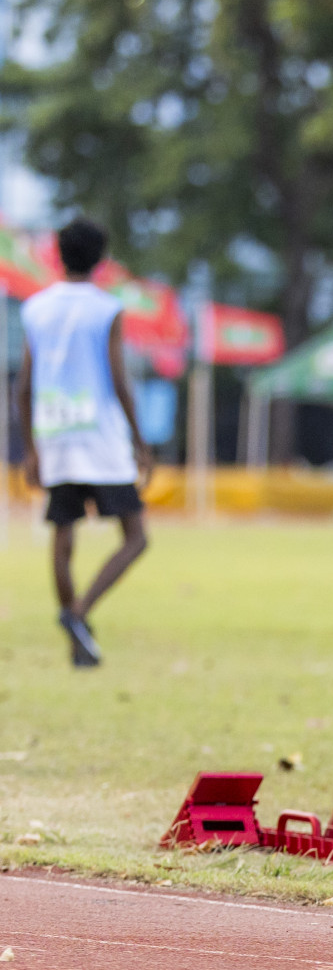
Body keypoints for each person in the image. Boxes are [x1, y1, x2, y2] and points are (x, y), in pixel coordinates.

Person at [15, 218, 152, 667]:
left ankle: (77, 642)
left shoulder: (35, 308)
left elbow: (23, 385)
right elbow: (119, 380)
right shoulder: (106, 309)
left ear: (58, 253)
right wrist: (139, 439)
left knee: (63, 532)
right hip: (99, 435)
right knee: (135, 537)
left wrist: (31, 447)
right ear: (100, 258)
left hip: (54, 430)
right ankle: (79, 613)